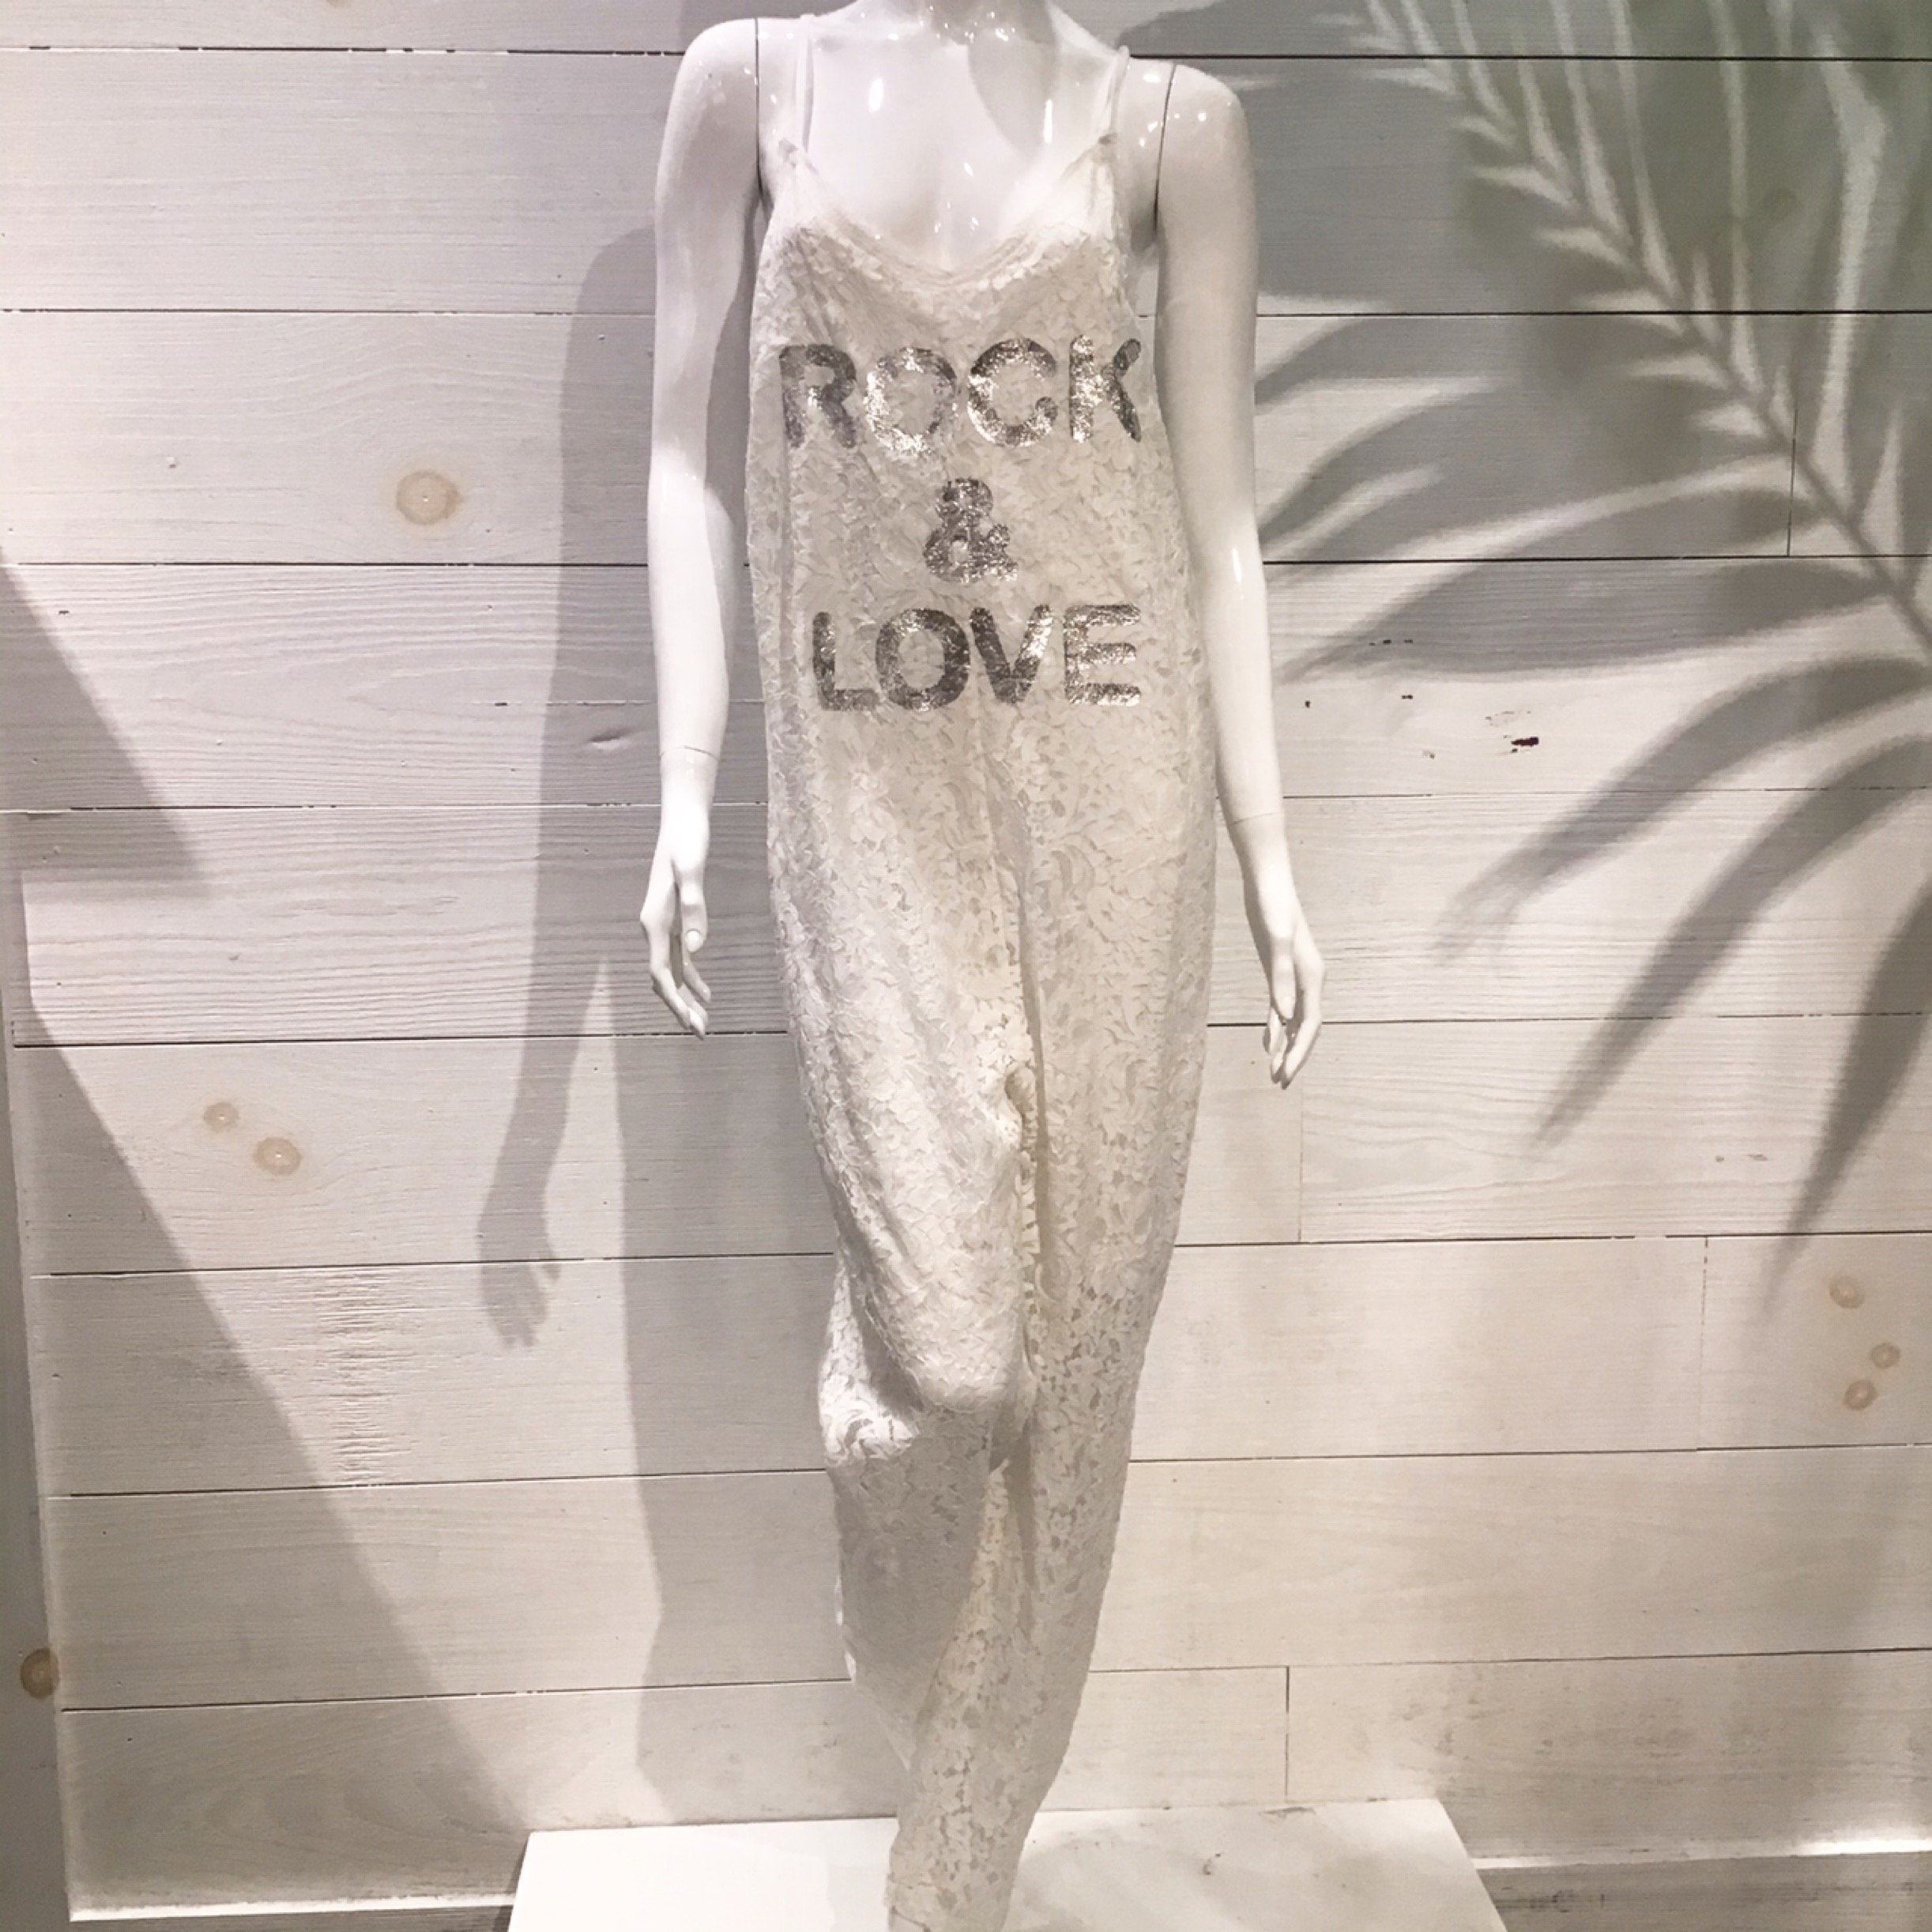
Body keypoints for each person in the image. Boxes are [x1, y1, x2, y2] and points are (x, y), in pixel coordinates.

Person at [642, 6, 1323, 1926]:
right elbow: (680, 460)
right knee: (944, 1366)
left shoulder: (1167, 123)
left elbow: (1220, 526)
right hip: (868, 786)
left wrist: (1267, 847)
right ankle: (924, 1698)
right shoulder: (748, 86)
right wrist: (683, 781)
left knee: (1080, 1354)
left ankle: (953, 1864)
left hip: (1115, 786)